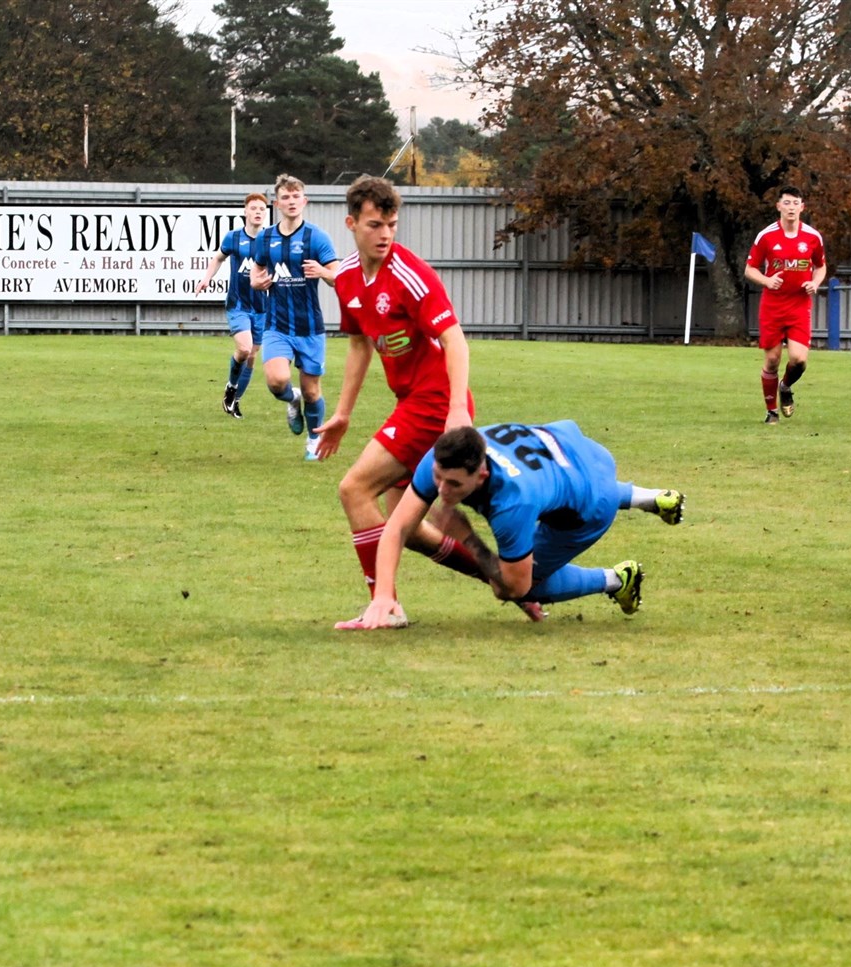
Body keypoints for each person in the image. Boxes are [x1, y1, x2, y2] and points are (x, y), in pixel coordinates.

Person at [315, 175, 541, 625]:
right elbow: (360, 345)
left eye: (392, 225)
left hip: (436, 402)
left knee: (354, 489)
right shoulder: (344, 279)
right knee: (411, 527)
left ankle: (387, 605)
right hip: (411, 402)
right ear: (351, 223)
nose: (385, 235)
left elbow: (455, 341)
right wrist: (342, 413)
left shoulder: (411, 275)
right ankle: (503, 580)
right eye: (376, 224)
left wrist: (457, 408)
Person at [341, 421, 685, 630]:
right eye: (438, 480)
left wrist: (466, 536)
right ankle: (650, 497)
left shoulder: (512, 503)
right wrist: (383, 595)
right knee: (563, 488)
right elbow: (398, 526)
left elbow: (514, 587)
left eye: (455, 486)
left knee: (519, 586)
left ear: (482, 475)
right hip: (571, 446)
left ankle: (616, 580)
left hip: (590, 502)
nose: (442, 492)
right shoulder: (442, 458)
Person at [249, 174, 341, 459]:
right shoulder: (266, 237)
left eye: (295, 196)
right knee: (277, 380)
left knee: (313, 391)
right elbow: (256, 270)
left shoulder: (317, 237)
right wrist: (256, 282)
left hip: (310, 327)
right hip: (276, 325)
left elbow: (340, 277)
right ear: (277, 204)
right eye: (285, 197)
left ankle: (314, 442)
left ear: (305, 201)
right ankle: (292, 399)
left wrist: (324, 272)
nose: (291, 201)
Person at [744, 186, 827, 424]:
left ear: (802, 207)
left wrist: (815, 282)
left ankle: (785, 386)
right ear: (778, 206)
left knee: (799, 360)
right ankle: (771, 412)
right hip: (773, 306)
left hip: (799, 305)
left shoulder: (812, 237)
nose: (791, 208)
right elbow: (749, 269)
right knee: (772, 360)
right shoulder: (766, 236)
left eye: (795, 203)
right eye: (787, 203)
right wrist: (767, 280)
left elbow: (820, 266)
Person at [195, 192, 270, 417]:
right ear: (245, 212)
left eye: (261, 209)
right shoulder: (233, 238)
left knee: (253, 355)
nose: (258, 212)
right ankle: (231, 386)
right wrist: (206, 278)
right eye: (254, 208)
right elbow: (218, 257)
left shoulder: (270, 240)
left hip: (261, 307)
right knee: (244, 349)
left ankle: (234, 399)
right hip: (238, 304)